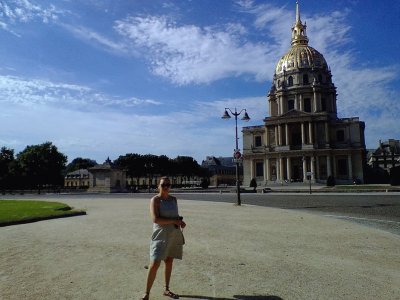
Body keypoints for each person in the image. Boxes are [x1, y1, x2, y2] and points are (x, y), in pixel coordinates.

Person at [141, 177, 186, 300]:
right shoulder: (155, 200)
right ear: (158, 186)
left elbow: (175, 216)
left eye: (168, 184)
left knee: (169, 261)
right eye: (163, 184)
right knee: (155, 263)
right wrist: (174, 220)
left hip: (173, 234)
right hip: (160, 235)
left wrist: (180, 222)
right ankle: (146, 293)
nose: (166, 186)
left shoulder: (174, 200)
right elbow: (156, 219)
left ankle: (166, 289)